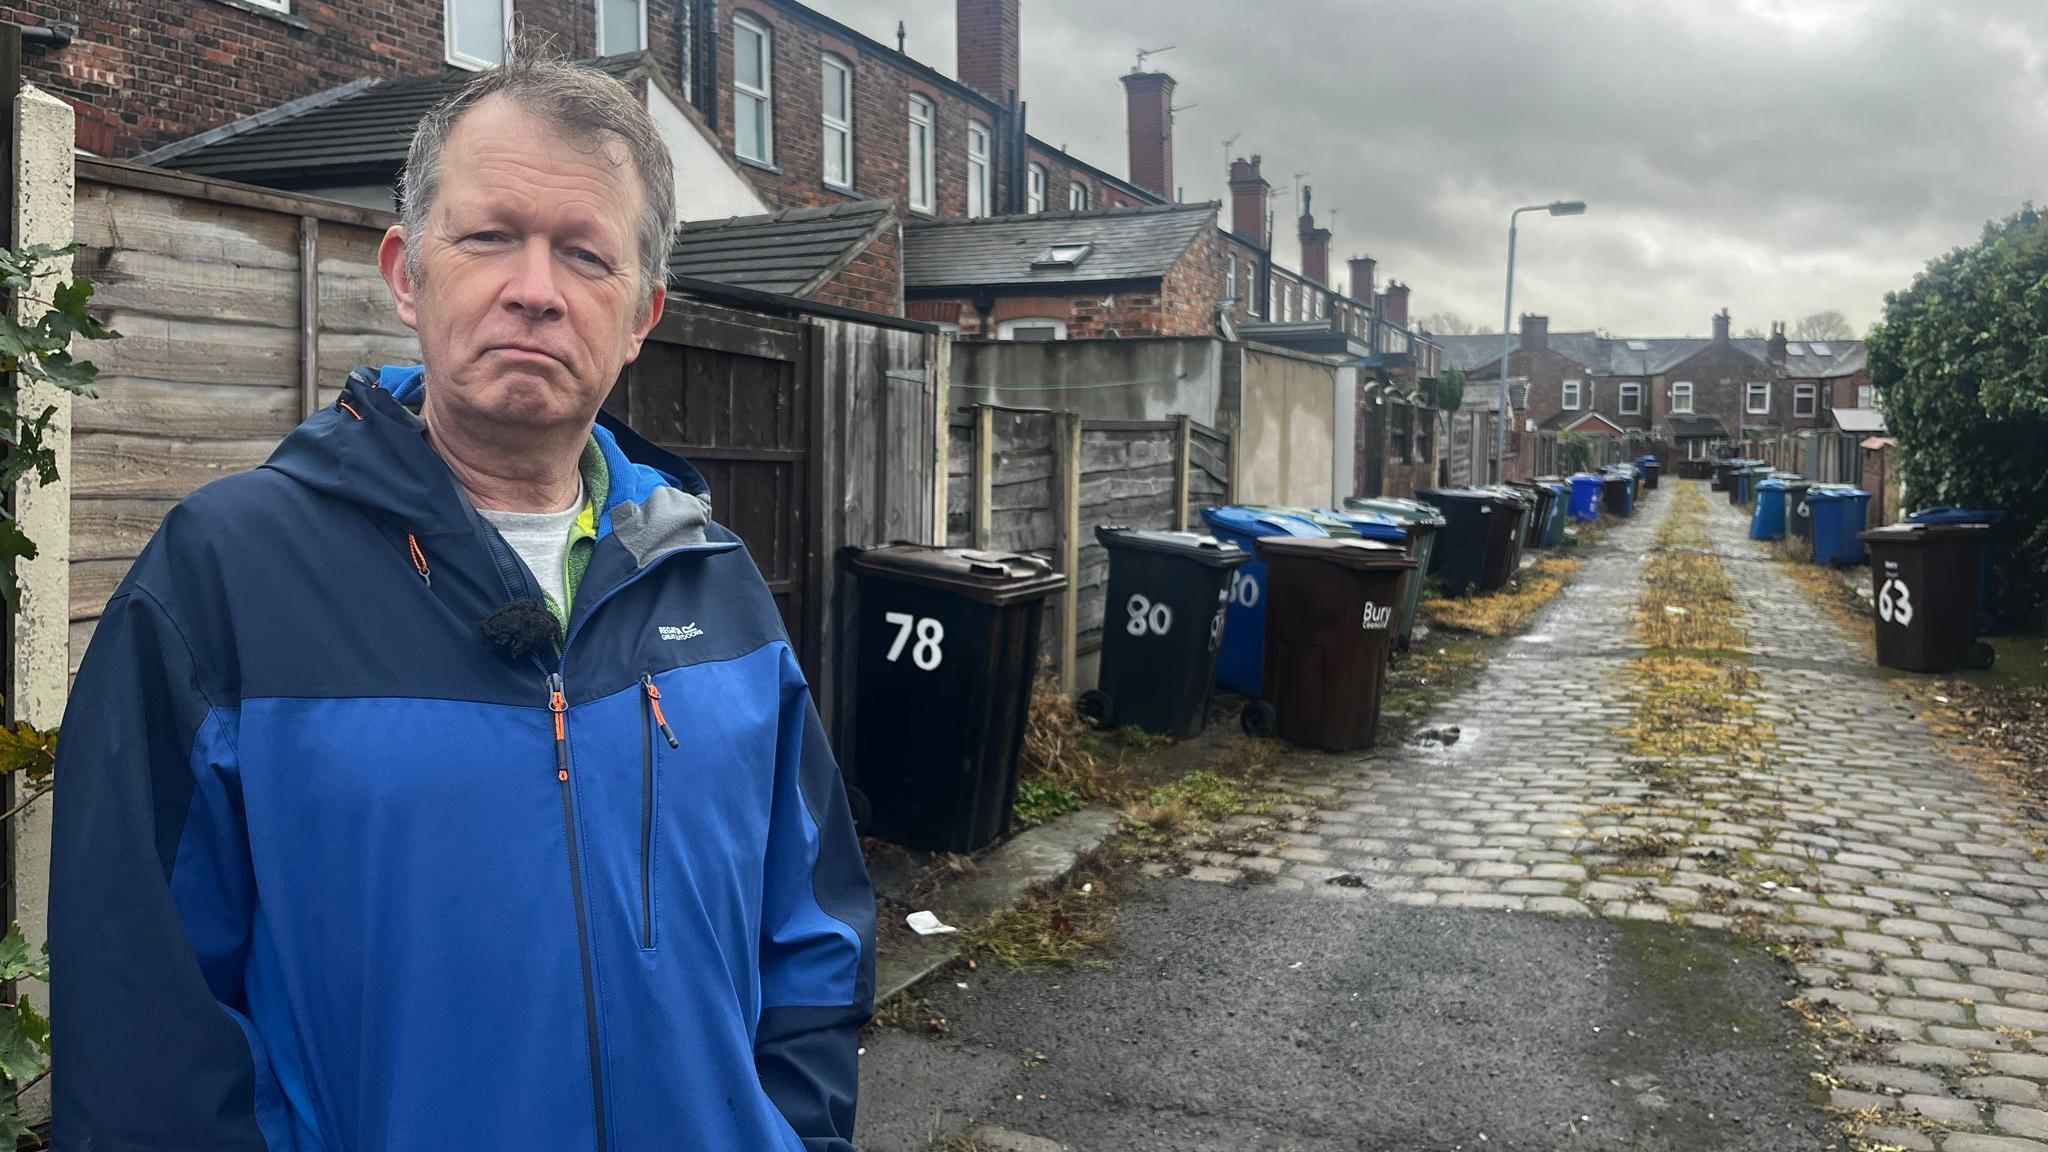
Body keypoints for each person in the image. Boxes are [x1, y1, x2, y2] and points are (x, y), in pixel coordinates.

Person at [50, 52, 874, 1151]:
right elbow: (141, 1015)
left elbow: (811, 932)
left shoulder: (713, 580)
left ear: (641, 314)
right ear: (405, 272)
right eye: (489, 236)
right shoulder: (225, 578)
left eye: (586, 253)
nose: (535, 287)